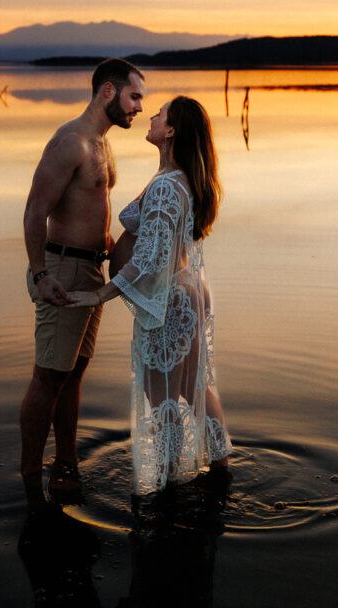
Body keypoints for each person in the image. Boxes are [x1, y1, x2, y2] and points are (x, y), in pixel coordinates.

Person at [68, 96, 231, 496]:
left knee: (160, 399)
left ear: (171, 131)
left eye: (160, 114)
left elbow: (148, 257)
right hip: (187, 289)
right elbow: (154, 241)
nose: (152, 116)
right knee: (194, 388)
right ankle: (222, 466)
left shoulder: (165, 186)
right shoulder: (179, 179)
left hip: (169, 301)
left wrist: (100, 295)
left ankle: (168, 481)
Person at [19, 58, 145, 508]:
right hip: (62, 271)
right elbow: (36, 210)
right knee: (48, 376)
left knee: (73, 374)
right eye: (134, 97)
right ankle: (31, 476)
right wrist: (40, 274)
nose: (138, 108)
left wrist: (113, 245)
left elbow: (91, 208)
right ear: (108, 92)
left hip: (91, 271)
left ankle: (67, 462)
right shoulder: (70, 142)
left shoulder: (102, 144)